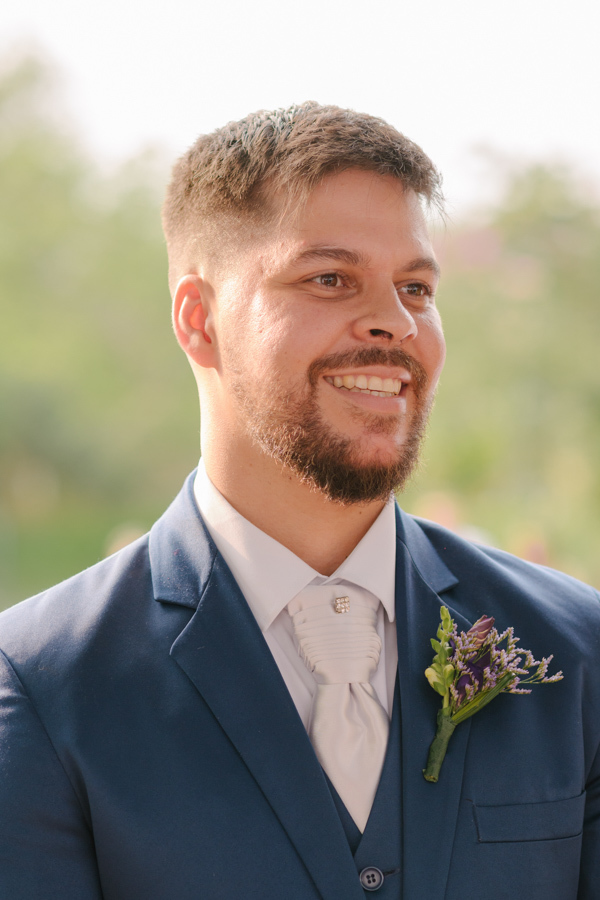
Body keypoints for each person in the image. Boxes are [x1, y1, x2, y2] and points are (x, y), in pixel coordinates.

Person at [0, 102, 598, 900]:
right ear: (199, 320)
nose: (394, 323)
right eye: (330, 279)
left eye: (416, 287)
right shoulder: (41, 683)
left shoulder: (578, 650)